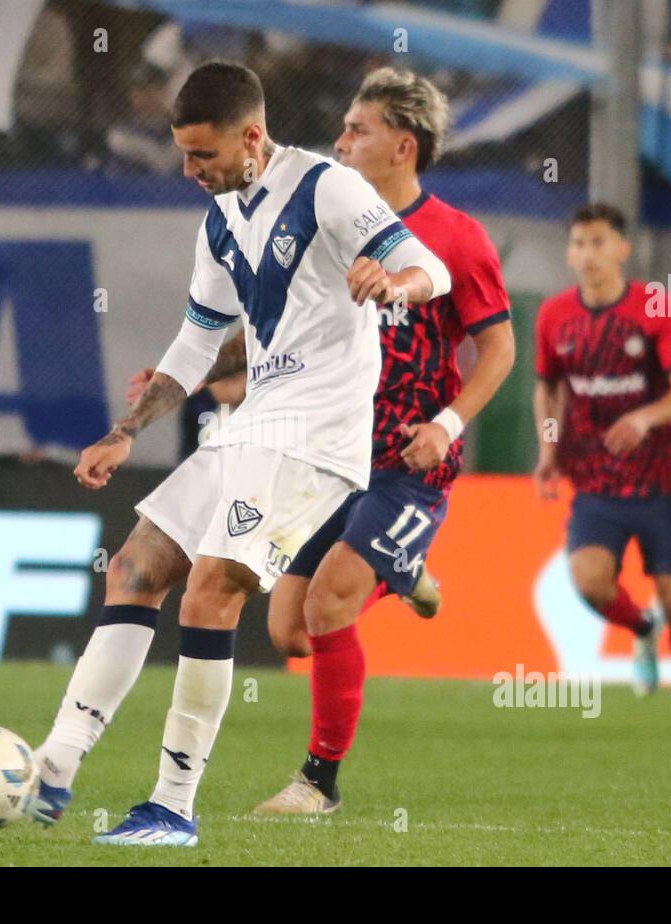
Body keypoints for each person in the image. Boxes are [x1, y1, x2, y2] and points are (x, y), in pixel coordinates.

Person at [23, 61, 451, 847]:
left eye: (203, 155)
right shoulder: (220, 220)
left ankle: (172, 807)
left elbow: (435, 267)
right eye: (183, 155)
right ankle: (56, 763)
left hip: (316, 439)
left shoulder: (324, 186)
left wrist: (394, 283)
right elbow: (195, 345)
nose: (190, 171)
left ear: (253, 137)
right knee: (135, 567)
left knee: (209, 594)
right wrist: (127, 430)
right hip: (253, 425)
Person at [252, 67, 515, 813]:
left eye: (356, 131)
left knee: (331, 603)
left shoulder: (457, 240)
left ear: (404, 147)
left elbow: (499, 351)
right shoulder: (325, 230)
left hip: (409, 465)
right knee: (289, 632)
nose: (338, 143)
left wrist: (445, 425)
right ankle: (403, 573)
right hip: (334, 457)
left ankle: (318, 785)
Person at [532, 203, 671, 737]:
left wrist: (644, 416)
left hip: (663, 484)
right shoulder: (553, 316)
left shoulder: (653, 307)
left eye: (598, 242)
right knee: (589, 582)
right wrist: (548, 450)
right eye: (578, 243)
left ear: (621, 249)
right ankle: (640, 626)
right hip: (597, 482)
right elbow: (547, 386)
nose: (587, 254)